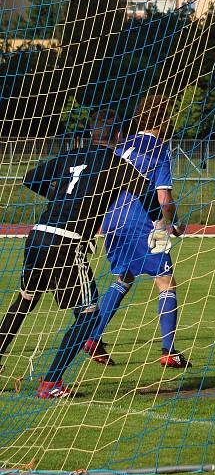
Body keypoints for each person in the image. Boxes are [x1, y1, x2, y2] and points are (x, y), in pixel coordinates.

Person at [0, 110, 159, 399]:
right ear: (119, 136)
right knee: (89, 316)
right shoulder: (115, 163)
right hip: (67, 243)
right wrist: (164, 223)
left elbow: (30, 178)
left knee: (24, 301)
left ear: (91, 133)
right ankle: (51, 383)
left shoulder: (72, 154)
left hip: (38, 235)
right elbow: (148, 196)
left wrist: (60, 198)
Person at [83, 95, 191, 369]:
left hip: (111, 221)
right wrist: (174, 224)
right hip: (140, 224)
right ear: (164, 120)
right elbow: (163, 198)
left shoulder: (122, 146)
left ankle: (92, 338)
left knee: (124, 277)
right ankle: (168, 350)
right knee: (166, 281)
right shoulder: (158, 149)